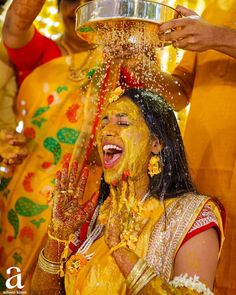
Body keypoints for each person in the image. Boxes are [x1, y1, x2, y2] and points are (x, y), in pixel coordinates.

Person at [31, 88, 225, 294]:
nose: (106, 131)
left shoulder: (192, 216)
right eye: (103, 123)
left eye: (123, 123)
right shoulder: (97, 218)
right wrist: (56, 237)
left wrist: (120, 251)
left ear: (156, 143)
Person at [0, 0, 107, 291]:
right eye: (71, 0)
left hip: (88, 203)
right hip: (26, 196)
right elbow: (16, 21)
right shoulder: (43, 52)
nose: (79, 8)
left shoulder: (120, 64)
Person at [158, 3, 236, 294]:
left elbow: (214, 37)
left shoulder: (212, 26)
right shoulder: (215, 6)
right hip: (203, 172)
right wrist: (141, 65)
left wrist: (217, 37)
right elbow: (179, 92)